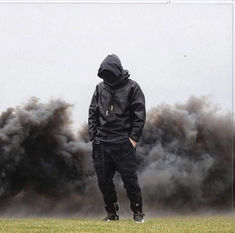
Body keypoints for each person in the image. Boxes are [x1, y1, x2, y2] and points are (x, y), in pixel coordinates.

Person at [88, 54, 146, 222]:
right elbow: (93, 113)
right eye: (104, 74)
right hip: (102, 143)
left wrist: (133, 139)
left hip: (123, 142)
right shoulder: (100, 88)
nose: (108, 77)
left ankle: (137, 213)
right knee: (104, 182)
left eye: (110, 73)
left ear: (118, 70)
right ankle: (112, 214)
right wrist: (94, 136)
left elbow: (139, 115)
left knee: (130, 181)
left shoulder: (132, 87)